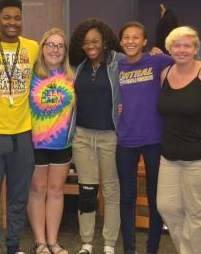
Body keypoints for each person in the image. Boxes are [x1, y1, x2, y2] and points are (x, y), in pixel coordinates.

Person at [0, 0, 38, 254]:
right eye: (7, 18)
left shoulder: (33, 47)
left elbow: (64, 54)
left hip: (24, 134)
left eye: (17, 18)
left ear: (22, 20)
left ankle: (13, 246)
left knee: (19, 197)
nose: (12, 23)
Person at [156, 26, 201, 254]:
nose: (181, 50)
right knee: (167, 207)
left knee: (198, 215)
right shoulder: (165, 74)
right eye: (176, 45)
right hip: (170, 157)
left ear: (196, 49)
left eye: (187, 45)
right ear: (169, 48)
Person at [68, 18, 124, 254]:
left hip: (109, 137)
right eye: (86, 42)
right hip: (82, 136)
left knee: (111, 191)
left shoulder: (118, 62)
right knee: (87, 191)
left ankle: (109, 243)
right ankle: (87, 242)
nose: (90, 45)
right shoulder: (78, 66)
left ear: (104, 42)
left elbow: (143, 65)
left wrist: (153, 52)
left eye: (95, 41)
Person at [115, 22, 172, 254]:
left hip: (154, 140)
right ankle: (130, 249)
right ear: (120, 42)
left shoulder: (157, 60)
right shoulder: (117, 66)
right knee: (127, 196)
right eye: (126, 37)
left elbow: (187, 61)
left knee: (154, 197)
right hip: (126, 140)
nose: (130, 41)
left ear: (145, 41)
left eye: (136, 37)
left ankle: (152, 249)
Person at [27, 28, 76, 254]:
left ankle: (53, 241)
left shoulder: (72, 76)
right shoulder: (30, 75)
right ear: (42, 47)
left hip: (62, 145)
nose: (55, 50)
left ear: (65, 51)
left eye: (60, 46)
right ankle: (40, 242)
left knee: (56, 191)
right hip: (35, 144)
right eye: (50, 45)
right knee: (37, 191)